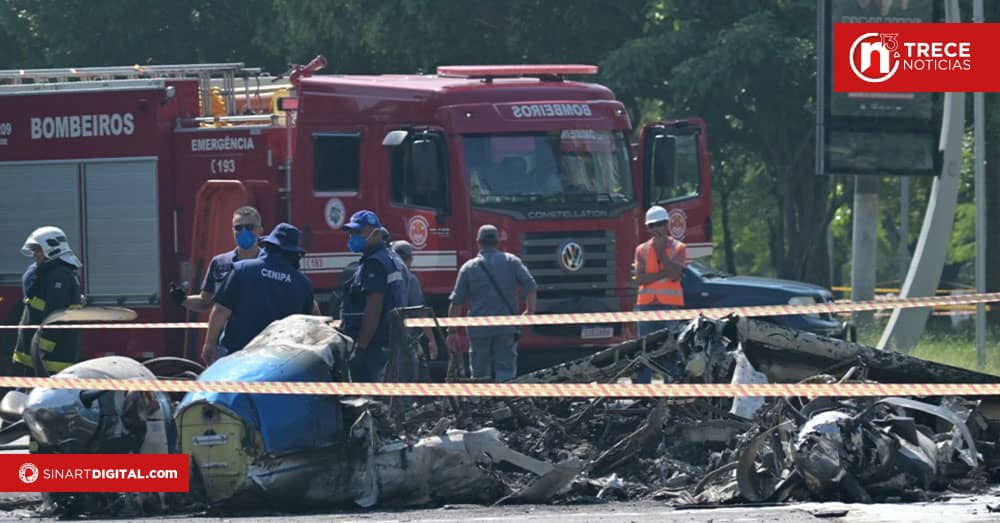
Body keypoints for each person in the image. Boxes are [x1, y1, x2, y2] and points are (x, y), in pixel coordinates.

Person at [202, 223, 316, 365]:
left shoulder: (242, 270)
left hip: (238, 359)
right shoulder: (303, 283)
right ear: (294, 254)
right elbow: (313, 321)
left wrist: (209, 344)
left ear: (268, 246)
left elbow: (220, 310)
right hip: (281, 363)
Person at [448, 224, 537, 382]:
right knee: (505, 371)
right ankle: (504, 404)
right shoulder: (512, 261)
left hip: (479, 329)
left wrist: (452, 332)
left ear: (478, 242)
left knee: (479, 374)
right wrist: (529, 312)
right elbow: (530, 286)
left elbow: (456, 303)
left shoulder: (468, 268)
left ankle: (481, 404)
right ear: (498, 241)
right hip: (506, 327)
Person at [339, 210, 405, 382]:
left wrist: (360, 348)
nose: (352, 237)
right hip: (384, 342)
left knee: (368, 402)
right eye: (351, 232)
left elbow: (373, 309)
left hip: (372, 347)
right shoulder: (388, 258)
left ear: (375, 233)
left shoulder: (374, 264)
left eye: (358, 232)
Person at [11, 226, 83, 375]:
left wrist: (42, 349)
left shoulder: (59, 276)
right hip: (36, 356)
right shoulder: (50, 271)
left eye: (37, 250)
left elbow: (56, 317)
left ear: (51, 249)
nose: (34, 255)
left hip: (50, 359)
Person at [170, 206, 263, 312]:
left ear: (260, 231)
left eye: (250, 227)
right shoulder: (220, 263)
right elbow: (205, 301)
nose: (244, 231)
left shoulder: (271, 262)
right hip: (228, 328)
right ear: (233, 231)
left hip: (264, 328)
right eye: (238, 227)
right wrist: (183, 299)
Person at [633, 205, 687, 384]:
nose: (657, 228)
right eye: (653, 225)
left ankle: (671, 391)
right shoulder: (641, 250)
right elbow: (640, 279)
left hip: (669, 306)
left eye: (660, 224)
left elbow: (674, 275)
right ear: (648, 228)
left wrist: (661, 252)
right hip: (647, 305)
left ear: (667, 225)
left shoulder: (679, 248)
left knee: (670, 350)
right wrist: (663, 273)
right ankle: (642, 393)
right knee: (645, 350)